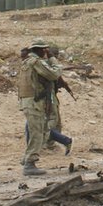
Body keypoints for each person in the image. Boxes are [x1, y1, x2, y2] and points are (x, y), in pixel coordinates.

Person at [17, 38, 62, 176]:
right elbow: (54, 74)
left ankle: (27, 159)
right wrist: (53, 59)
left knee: (41, 130)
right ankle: (30, 163)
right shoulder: (36, 62)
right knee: (37, 133)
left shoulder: (26, 62)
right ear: (42, 50)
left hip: (28, 102)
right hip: (34, 103)